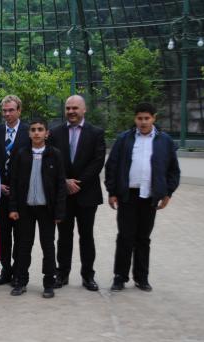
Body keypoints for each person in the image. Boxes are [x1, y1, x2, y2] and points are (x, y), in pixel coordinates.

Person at [105, 103, 180, 292]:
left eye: (147, 118)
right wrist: (112, 192)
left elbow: (173, 170)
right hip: (128, 195)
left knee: (143, 238)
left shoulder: (165, 141)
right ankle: (119, 277)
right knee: (125, 237)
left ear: (154, 118)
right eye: (140, 118)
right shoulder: (124, 139)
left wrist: (167, 193)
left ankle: (142, 278)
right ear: (135, 119)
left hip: (150, 197)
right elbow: (112, 166)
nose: (143, 122)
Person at [47, 95, 105, 291]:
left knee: (86, 236)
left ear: (84, 110)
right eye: (68, 108)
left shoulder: (96, 133)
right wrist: (64, 182)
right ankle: (61, 274)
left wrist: (77, 182)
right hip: (63, 195)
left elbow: (98, 161)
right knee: (63, 237)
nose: (71, 111)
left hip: (87, 194)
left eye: (75, 108)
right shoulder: (55, 133)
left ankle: (88, 276)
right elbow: (51, 161)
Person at [9, 118, 67, 298]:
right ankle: (21, 280)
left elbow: (60, 185)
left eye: (40, 129)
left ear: (47, 133)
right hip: (25, 208)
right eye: (33, 129)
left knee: (48, 246)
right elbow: (14, 182)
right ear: (29, 133)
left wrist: (59, 211)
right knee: (23, 246)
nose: (36, 132)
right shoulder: (21, 154)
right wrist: (13, 207)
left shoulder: (55, 154)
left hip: (46, 209)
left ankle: (49, 282)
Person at [0, 95, 30, 287]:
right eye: (4, 110)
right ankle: (6, 271)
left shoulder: (30, 131)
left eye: (11, 110)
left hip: (22, 194)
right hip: (0, 192)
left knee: (21, 236)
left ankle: (20, 272)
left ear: (19, 110)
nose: (7, 114)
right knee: (3, 235)